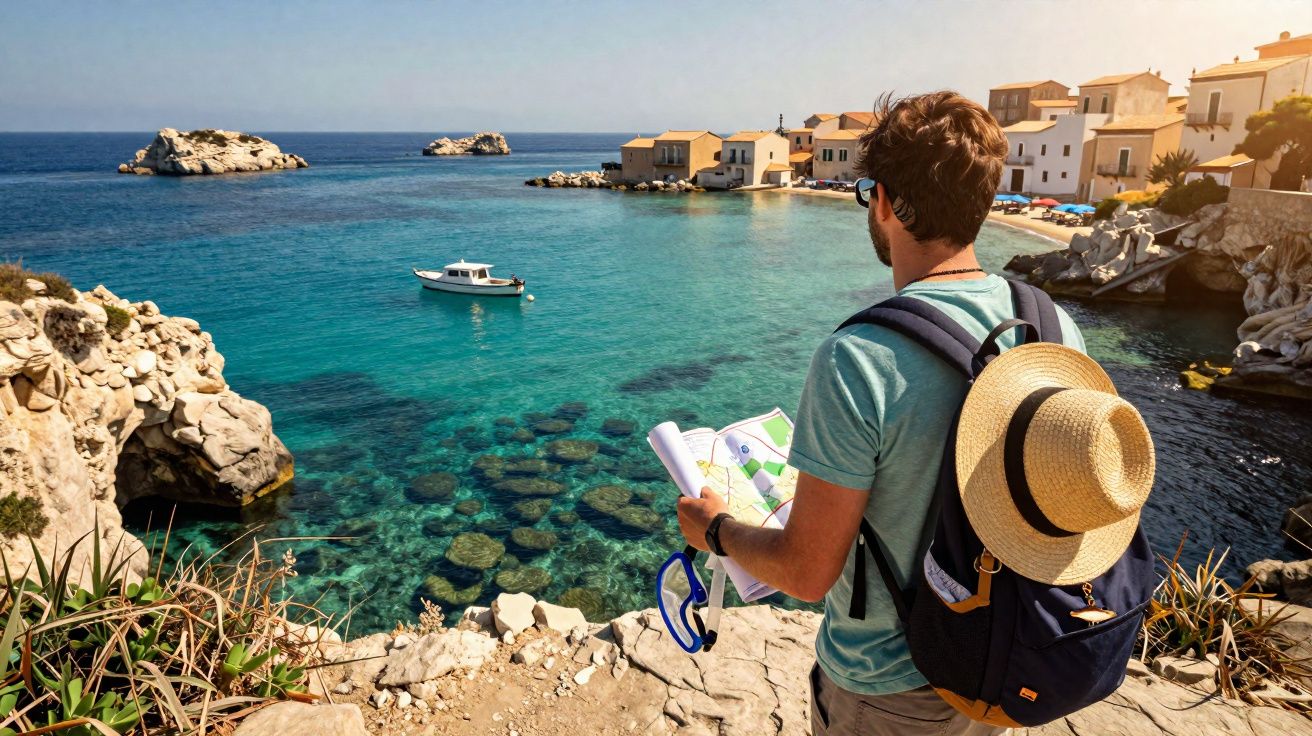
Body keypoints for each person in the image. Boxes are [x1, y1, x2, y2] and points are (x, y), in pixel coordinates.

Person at [676, 91, 1087, 736]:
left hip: (889, 687)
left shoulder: (859, 358)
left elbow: (808, 574)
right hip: (1005, 658)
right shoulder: (1051, 325)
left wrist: (718, 531)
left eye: (869, 191)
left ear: (887, 202)